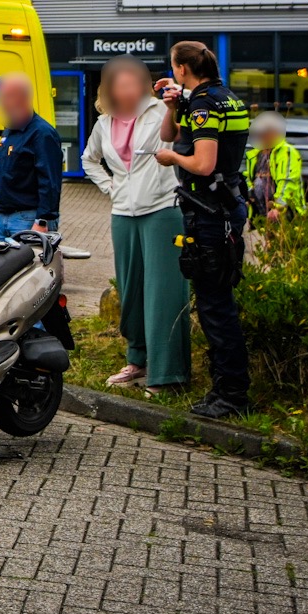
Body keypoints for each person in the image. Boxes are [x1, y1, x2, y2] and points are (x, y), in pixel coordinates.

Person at [154, 40, 253, 420]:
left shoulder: (204, 105)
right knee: (218, 302)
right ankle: (228, 389)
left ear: (181, 69)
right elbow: (172, 134)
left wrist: (172, 159)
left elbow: (203, 163)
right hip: (223, 208)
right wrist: (173, 106)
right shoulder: (224, 97)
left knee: (215, 307)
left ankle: (231, 394)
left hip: (210, 213)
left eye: (173, 67)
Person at [81, 56, 190, 395]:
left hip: (162, 210)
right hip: (123, 214)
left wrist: (177, 98)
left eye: (133, 82)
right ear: (109, 88)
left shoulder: (161, 111)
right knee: (131, 293)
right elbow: (89, 160)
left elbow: (184, 122)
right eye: (119, 83)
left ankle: (168, 375)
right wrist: (112, 188)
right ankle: (138, 361)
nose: (126, 89)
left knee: (164, 295)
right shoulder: (104, 123)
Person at [0, 74, 61, 241]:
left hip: (26, 220)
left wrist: (42, 221)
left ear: (23, 98)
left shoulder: (42, 134)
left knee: (25, 267)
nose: (2, 103)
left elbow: (50, 182)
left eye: (7, 97)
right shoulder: (10, 129)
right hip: (0, 219)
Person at [243, 111, 306, 227]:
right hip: (262, 212)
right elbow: (248, 177)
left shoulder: (286, 152)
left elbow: (288, 181)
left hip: (285, 213)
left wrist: (278, 207)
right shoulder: (255, 154)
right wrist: (250, 195)